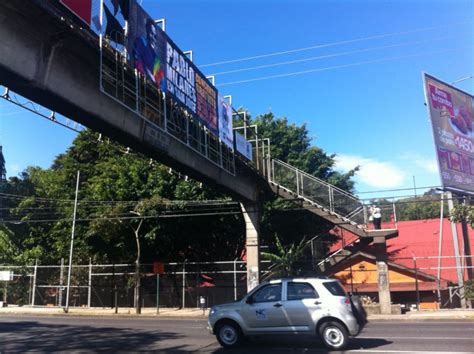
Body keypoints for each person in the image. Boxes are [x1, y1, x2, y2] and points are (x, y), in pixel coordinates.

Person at [133, 18, 165, 90]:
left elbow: (161, 82)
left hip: (150, 89)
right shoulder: (141, 42)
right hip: (140, 84)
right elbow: (138, 63)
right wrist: (148, 75)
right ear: (147, 32)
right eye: (151, 34)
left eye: (155, 35)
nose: (153, 38)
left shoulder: (156, 59)